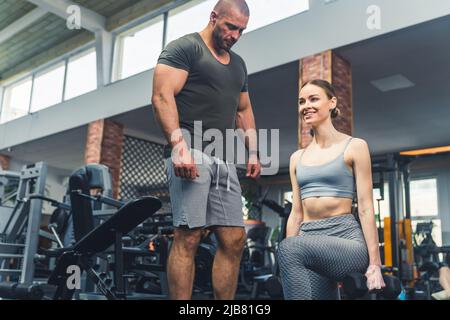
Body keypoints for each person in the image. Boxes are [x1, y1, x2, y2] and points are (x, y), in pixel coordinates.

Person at [152, 0, 261, 300]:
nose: (235, 35)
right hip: (192, 149)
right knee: (188, 236)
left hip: (224, 157)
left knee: (234, 238)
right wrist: (178, 146)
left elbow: (244, 110)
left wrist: (253, 151)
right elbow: (162, 96)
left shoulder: (238, 65)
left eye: (242, 30)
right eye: (231, 27)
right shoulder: (185, 48)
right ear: (214, 17)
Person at [277, 79, 385, 300]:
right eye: (301, 101)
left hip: (346, 240)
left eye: (313, 99)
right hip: (309, 240)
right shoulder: (297, 158)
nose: (306, 105)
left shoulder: (355, 146)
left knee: (289, 249)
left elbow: (365, 207)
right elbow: (296, 212)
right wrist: (290, 254)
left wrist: (375, 264)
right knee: (290, 250)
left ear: (332, 102)